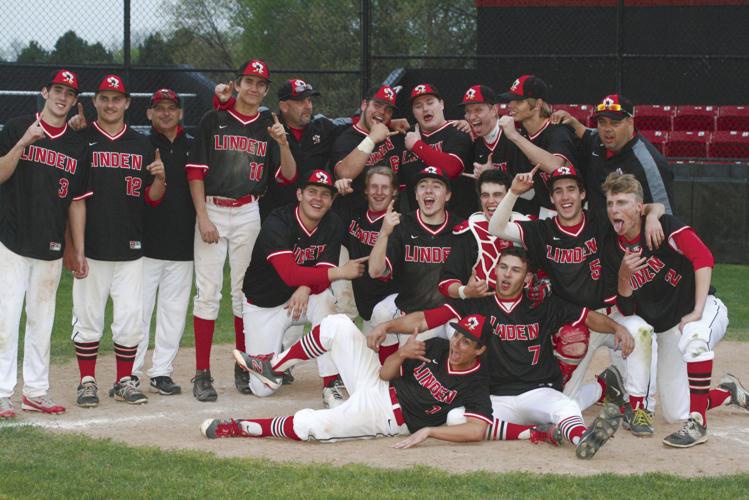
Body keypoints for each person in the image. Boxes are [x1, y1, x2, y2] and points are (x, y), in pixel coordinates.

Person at [367, 247, 630, 459]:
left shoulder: (542, 305)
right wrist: (388, 325)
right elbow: (426, 319)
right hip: (493, 397)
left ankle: (581, 438)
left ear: (527, 278)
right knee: (455, 418)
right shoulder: (477, 305)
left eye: (515, 270)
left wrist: (616, 326)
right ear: (495, 270)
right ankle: (539, 431)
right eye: (503, 267)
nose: (507, 275)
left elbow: (587, 317)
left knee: (564, 405)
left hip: (536, 391)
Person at [600, 173, 747, 448]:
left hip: (701, 309)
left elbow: (704, 257)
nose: (614, 210)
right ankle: (727, 392)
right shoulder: (611, 246)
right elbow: (627, 308)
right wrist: (623, 276)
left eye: (621, 202)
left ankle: (699, 425)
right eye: (610, 203)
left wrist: (698, 309)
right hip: (665, 327)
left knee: (695, 336)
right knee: (676, 412)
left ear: (639, 208)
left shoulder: (662, 226)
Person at [202, 313, 492, 449]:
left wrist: (430, 431)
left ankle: (240, 428)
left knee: (311, 425)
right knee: (337, 324)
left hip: (384, 418)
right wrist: (402, 354)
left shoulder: (476, 381)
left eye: (467, 342)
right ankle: (272, 367)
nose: (457, 344)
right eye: (457, 335)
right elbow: (384, 373)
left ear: (480, 350)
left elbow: (477, 430)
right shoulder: (439, 347)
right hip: (378, 386)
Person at [186, 58, 296, 402]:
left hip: (249, 209)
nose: (254, 87)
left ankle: (242, 363)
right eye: (248, 81)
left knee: (242, 292)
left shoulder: (269, 124)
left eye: (260, 83)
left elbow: (289, 175)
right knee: (208, 293)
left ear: (265, 90)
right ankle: (202, 373)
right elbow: (195, 172)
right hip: (214, 209)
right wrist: (203, 216)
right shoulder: (213, 118)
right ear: (238, 84)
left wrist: (283, 143)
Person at [72, 74, 165, 407]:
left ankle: (125, 380)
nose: (110, 104)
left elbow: (151, 199)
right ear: (95, 102)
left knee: (129, 320)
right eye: (104, 98)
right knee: (88, 317)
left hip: (131, 246)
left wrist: (161, 179)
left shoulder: (141, 144)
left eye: (117, 98)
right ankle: (86, 381)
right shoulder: (80, 138)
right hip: (92, 247)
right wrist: (74, 247)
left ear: (127, 103)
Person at [0, 69, 88, 418]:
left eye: (69, 93)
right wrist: (24, 141)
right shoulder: (16, 126)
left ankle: (35, 391)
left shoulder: (76, 144)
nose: (62, 97)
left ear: (74, 100)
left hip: (50, 245)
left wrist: (77, 248)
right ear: (44, 91)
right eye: (57, 90)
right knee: (5, 320)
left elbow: (77, 200)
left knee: (42, 321)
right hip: (10, 240)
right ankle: (2, 391)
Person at [239, 170, 366, 406]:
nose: (318, 199)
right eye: (312, 192)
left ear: (331, 200)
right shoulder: (278, 221)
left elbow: (323, 273)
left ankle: (330, 384)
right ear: (299, 194)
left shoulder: (333, 222)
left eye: (325, 194)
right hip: (264, 303)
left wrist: (305, 287)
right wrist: (340, 272)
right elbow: (289, 274)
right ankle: (273, 365)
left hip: (304, 298)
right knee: (264, 388)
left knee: (326, 303)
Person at [131, 89, 195, 396]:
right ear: (149, 113)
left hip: (183, 245)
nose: (166, 113)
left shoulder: (192, 147)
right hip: (147, 244)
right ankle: (130, 372)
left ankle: (161, 372)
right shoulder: (141, 145)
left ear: (181, 112)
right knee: (139, 312)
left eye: (172, 108)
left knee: (173, 312)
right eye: (160, 108)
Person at [367, 166, 463, 361]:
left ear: (448, 195)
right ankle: (387, 367)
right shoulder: (402, 225)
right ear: (416, 195)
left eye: (436, 186)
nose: (428, 190)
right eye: (422, 186)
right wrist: (384, 233)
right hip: (411, 311)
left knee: (422, 363)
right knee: (380, 311)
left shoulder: (461, 229)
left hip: (448, 313)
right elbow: (375, 271)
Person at [553, 94, 674, 213]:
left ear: (630, 122)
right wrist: (571, 120)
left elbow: (665, 213)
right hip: (595, 230)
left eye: (615, 123)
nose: (607, 129)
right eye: (602, 122)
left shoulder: (649, 164)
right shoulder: (597, 139)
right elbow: (585, 132)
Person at [496, 75, 579, 218]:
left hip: (575, 212)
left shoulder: (558, 130)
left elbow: (556, 166)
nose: (510, 105)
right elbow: (525, 189)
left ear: (538, 104)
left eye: (519, 101)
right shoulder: (522, 138)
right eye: (510, 100)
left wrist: (515, 136)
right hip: (543, 212)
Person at [339, 166, 399, 332]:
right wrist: (338, 189)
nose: (379, 192)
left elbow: (381, 272)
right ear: (365, 190)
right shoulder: (354, 215)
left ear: (394, 191)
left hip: (389, 307)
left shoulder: (399, 223)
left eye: (385, 187)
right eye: (374, 186)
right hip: (364, 304)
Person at [399, 83, 473, 214]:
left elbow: (452, 169)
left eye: (430, 102)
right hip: (416, 223)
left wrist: (417, 146)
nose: (425, 109)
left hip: (455, 221)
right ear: (413, 112)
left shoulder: (457, 131)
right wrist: (390, 123)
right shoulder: (406, 136)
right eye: (418, 106)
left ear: (442, 104)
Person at [330, 84, 404, 212]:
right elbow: (344, 174)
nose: (382, 112)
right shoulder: (346, 139)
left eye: (388, 110)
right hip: (356, 222)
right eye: (377, 105)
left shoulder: (395, 134)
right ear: (364, 105)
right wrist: (371, 139)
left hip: (390, 217)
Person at [458, 85, 522, 216]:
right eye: (468, 111)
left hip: (520, 217)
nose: (471, 116)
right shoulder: (475, 144)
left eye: (478, 110)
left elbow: (531, 193)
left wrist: (492, 175)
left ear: (494, 110)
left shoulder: (515, 138)